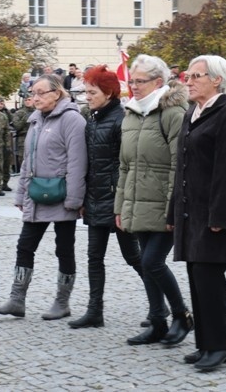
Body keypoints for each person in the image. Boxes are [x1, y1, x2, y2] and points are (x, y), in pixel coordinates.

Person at [167, 55, 226, 371]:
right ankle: (204, 345)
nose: (188, 80)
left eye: (196, 75)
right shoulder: (192, 112)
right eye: (188, 75)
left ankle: (220, 347)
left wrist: (220, 218)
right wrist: (174, 209)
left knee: (210, 281)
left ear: (217, 79)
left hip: (213, 215)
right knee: (196, 278)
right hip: (189, 213)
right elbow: (182, 168)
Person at [0, 74, 87, 320]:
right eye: (32, 93)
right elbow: (27, 163)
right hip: (37, 193)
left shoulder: (72, 120)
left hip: (62, 194)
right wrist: (21, 194)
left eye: (41, 93)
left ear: (57, 93)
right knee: (25, 246)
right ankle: (16, 299)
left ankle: (62, 302)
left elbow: (78, 163)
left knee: (64, 249)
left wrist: (75, 200)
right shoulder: (35, 120)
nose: (35, 97)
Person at [114, 54, 193, 346]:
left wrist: (174, 207)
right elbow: (125, 165)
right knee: (147, 264)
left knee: (152, 262)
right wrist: (120, 206)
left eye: (140, 81)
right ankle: (157, 321)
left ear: (158, 82)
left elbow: (179, 164)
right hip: (138, 201)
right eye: (131, 80)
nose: (133, 86)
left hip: (164, 203)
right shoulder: (132, 113)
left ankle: (182, 315)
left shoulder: (173, 113)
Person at [67, 66, 144, 329]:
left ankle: (161, 306)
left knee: (133, 257)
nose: (87, 96)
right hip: (96, 198)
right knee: (94, 257)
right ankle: (94, 311)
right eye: (86, 91)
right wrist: (84, 200)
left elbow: (129, 165)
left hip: (116, 199)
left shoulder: (122, 120)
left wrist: (123, 201)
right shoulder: (93, 119)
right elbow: (89, 164)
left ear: (109, 92)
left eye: (92, 91)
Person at [11, 93, 35, 172]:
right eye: (26, 100)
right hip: (23, 138)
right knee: (23, 161)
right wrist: (25, 118)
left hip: (36, 138)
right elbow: (17, 126)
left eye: (29, 100)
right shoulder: (19, 113)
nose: (28, 102)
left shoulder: (38, 111)